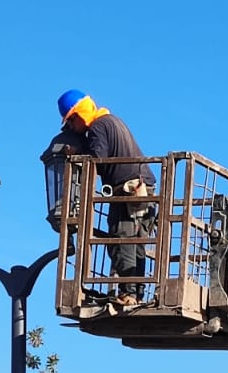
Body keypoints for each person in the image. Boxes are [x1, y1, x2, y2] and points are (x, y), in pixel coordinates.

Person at [58, 90, 157, 292]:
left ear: (79, 114)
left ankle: (128, 293)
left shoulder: (97, 127)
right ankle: (135, 293)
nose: (72, 127)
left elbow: (97, 160)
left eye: (71, 122)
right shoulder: (113, 121)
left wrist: (78, 154)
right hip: (146, 189)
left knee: (121, 240)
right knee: (138, 242)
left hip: (128, 192)